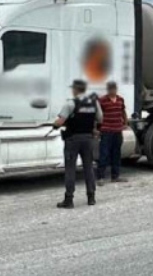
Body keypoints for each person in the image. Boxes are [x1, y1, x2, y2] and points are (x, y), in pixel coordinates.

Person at [53, 79, 102, 208]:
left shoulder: (71, 103)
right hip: (88, 139)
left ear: (75, 89)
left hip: (73, 140)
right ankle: (91, 197)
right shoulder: (94, 103)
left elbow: (60, 121)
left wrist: (55, 125)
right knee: (89, 168)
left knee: (70, 169)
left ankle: (69, 199)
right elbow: (100, 118)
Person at [97, 81, 128, 185]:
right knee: (104, 154)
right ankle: (100, 177)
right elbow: (97, 115)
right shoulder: (102, 100)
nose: (112, 91)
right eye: (110, 89)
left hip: (117, 130)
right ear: (108, 90)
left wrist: (125, 123)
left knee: (116, 154)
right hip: (106, 131)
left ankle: (115, 176)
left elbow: (123, 111)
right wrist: (96, 128)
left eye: (114, 89)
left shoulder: (120, 100)